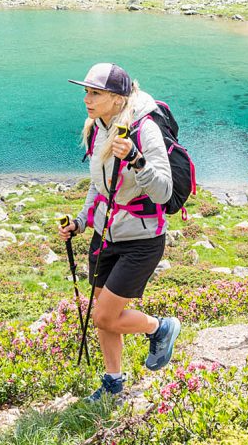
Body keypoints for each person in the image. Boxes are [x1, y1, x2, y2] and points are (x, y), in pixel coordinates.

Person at [58, 63, 181, 402]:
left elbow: (164, 192)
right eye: (86, 91)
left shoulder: (145, 130)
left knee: (103, 315)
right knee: (104, 318)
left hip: (141, 240)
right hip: (105, 234)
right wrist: (81, 222)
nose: (87, 98)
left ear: (116, 98)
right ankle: (113, 383)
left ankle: (161, 328)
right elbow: (99, 185)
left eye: (94, 93)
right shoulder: (99, 126)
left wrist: (137, 161)